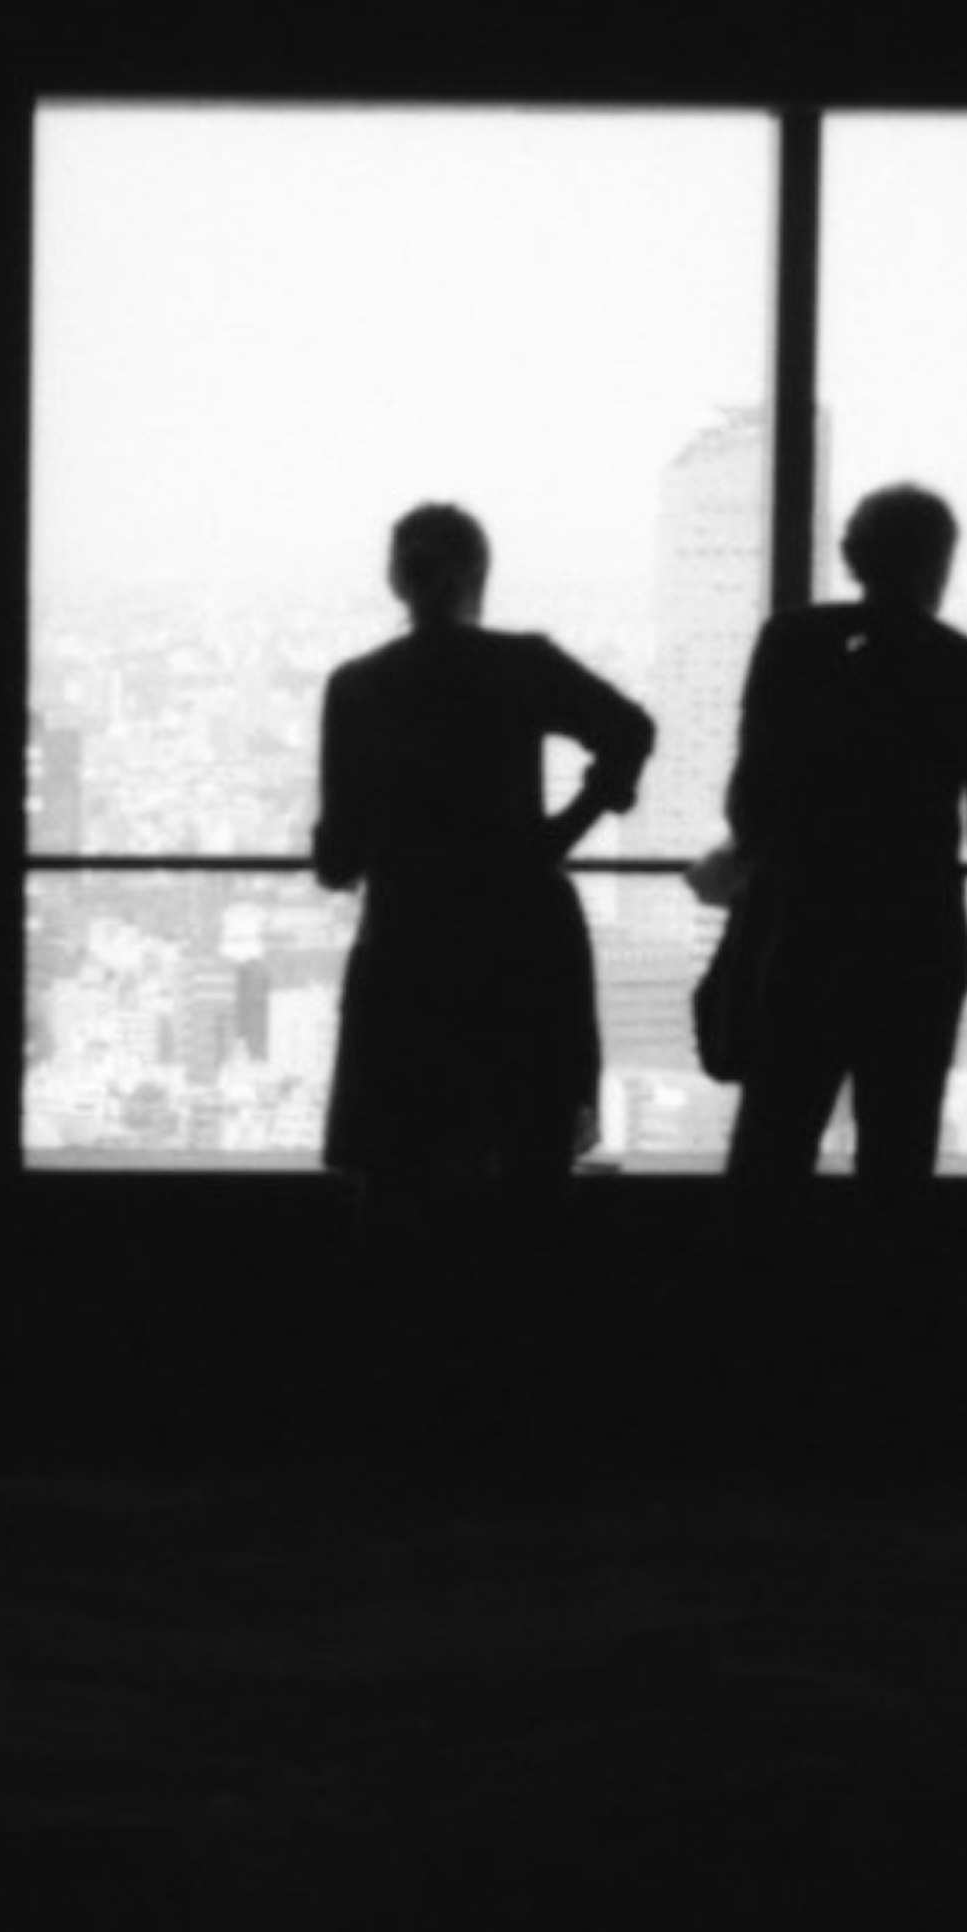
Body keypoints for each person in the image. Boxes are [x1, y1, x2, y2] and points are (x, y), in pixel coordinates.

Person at [310, 503, 653, 1455]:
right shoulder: (523, 665)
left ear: (398, 579)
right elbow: (630, 730)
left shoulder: (360, 688)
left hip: (412, 939)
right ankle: (529, 1408)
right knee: (531, 1168)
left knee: (401, 1177)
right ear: (477, 572)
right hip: (521, 931)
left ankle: (403, 1412)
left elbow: (339, 858)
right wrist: (559, 834)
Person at [711, 480, 967, 1430]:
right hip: (917, 946)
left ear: (851, 555)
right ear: (940, 561)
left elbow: (749, 803)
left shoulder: (793, 644)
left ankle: (749, 1376)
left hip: (805, 933)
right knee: (898, 1165)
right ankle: (884, 1389)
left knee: (772, 1152)